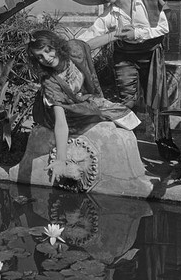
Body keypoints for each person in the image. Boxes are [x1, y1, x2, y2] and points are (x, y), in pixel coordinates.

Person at [61, 0, 179, 160]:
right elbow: (90, 35)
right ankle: (127, 146)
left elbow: (164, 28)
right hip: (125, 58)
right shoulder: (110, 14)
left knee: (157, 99)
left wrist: (136, 33)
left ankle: (165, 144)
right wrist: (68, 48)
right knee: (127, 100)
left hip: (151, 54)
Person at [26, 30, 142, 183]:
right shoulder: (50, 81)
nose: (46, 58)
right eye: (39, 56)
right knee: (98, 111)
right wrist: (61, 159)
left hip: (83, 98)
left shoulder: (73, 50)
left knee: (124, 114)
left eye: (48, 51)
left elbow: (89, 45)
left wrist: (117, 33)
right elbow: (60, 122)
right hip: (60, 111)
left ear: (55, 45)